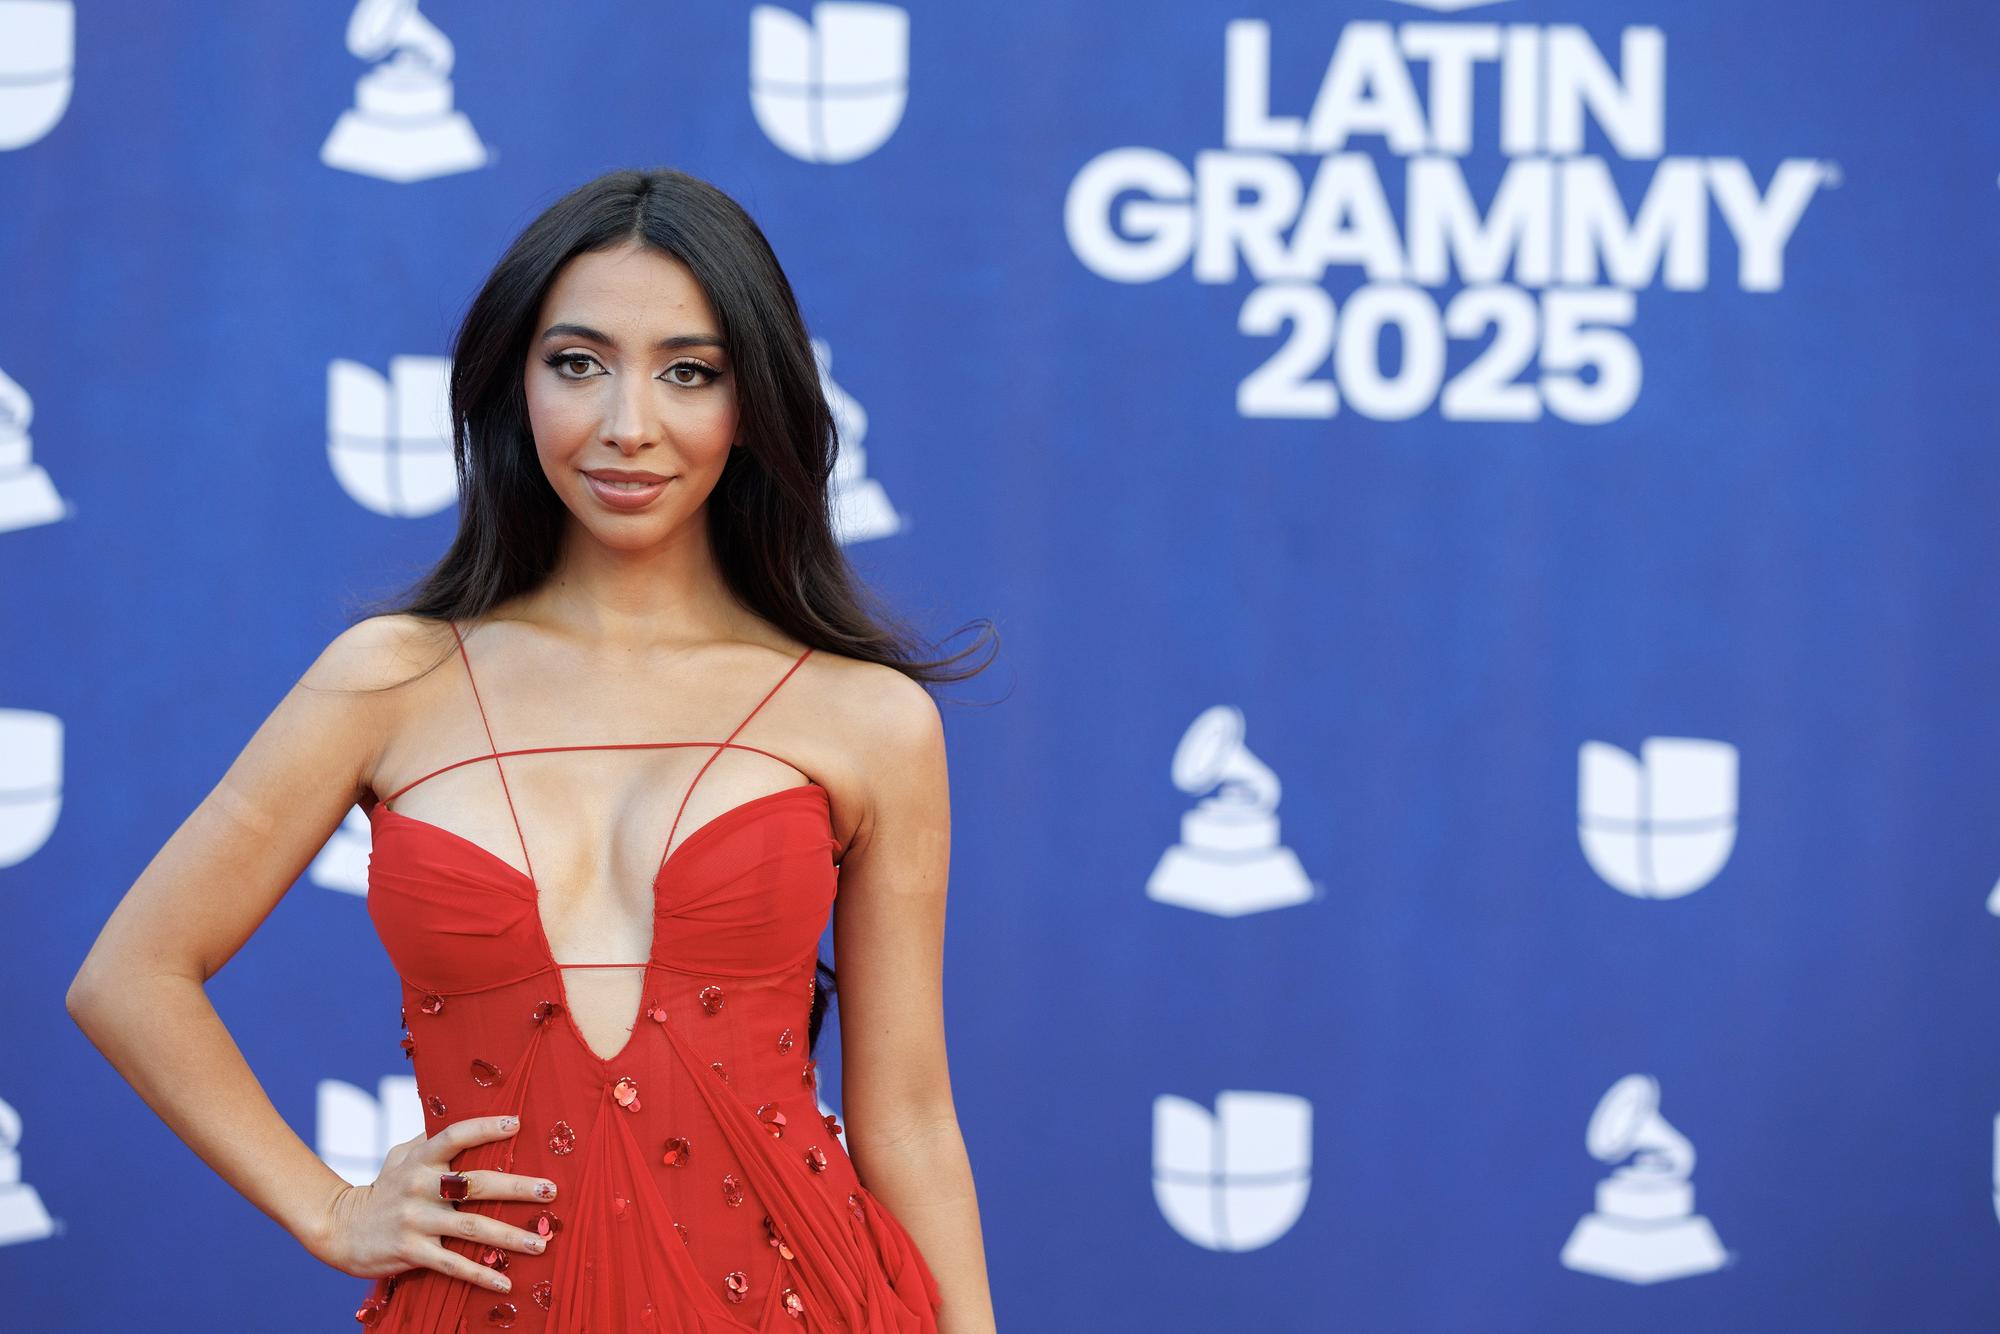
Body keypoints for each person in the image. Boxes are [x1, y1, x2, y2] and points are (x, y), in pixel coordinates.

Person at [66, 167, 1000, 1332]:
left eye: (687, 371)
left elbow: (905, 1113)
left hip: (803, 1298)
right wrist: (330, 1207)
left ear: (751, 400)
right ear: (514, 382)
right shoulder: (389, 677)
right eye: (577, 362)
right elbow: (129, 975)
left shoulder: (863, 716)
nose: (627, 422)